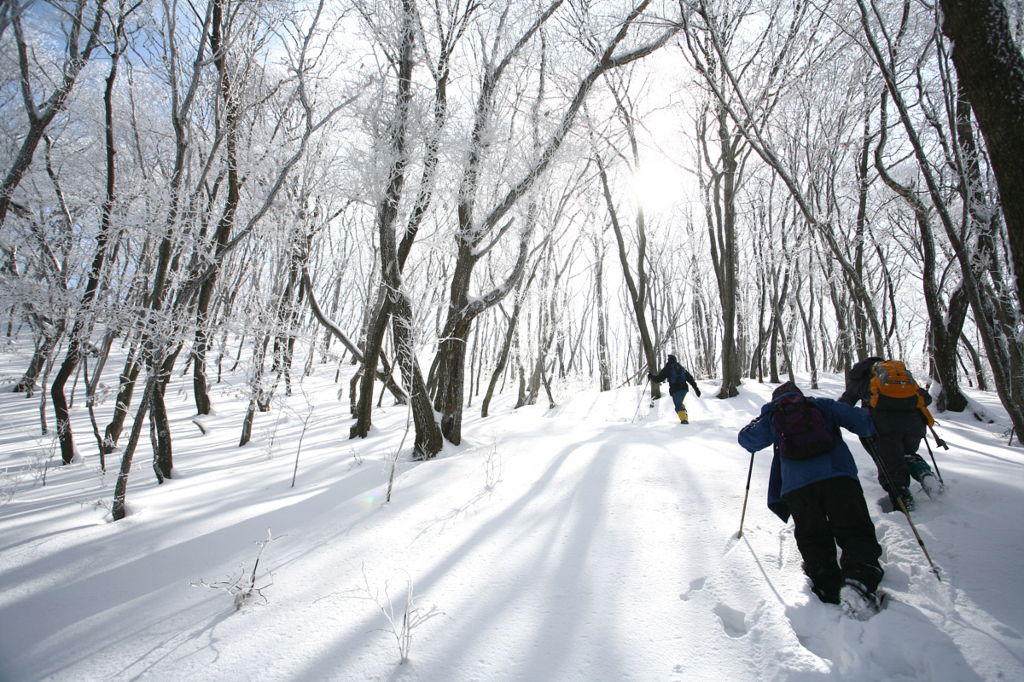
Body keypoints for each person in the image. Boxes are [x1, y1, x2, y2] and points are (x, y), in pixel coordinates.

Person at [738, 381, 884, 615]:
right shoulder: (821, 405)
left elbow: (747, 441)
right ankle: (859, 582)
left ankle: (827, 587)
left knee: (812, 536)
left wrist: (757, 420)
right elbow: (863, 423)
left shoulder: (772, 416)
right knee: (854, 529)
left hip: (797, 486)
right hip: (838, 475)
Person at [839, 357, 942, 512]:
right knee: (906, 453)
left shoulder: (862, 378)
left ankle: (903, 501)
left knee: (889, 463)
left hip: (883, 429)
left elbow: (845, 405)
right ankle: (922, 471)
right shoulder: (900, 376)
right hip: (915, 427)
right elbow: (925, 398)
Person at [649, 354, 701, 423]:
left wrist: (651, 376)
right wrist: (696, 389)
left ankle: (684, 419)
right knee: (679, 403)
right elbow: (690, 378)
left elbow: (658, 379)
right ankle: (684, 411)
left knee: (678, 406)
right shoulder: (681, 368)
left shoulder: (667, 368)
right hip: (684, 389)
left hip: (675, 389)